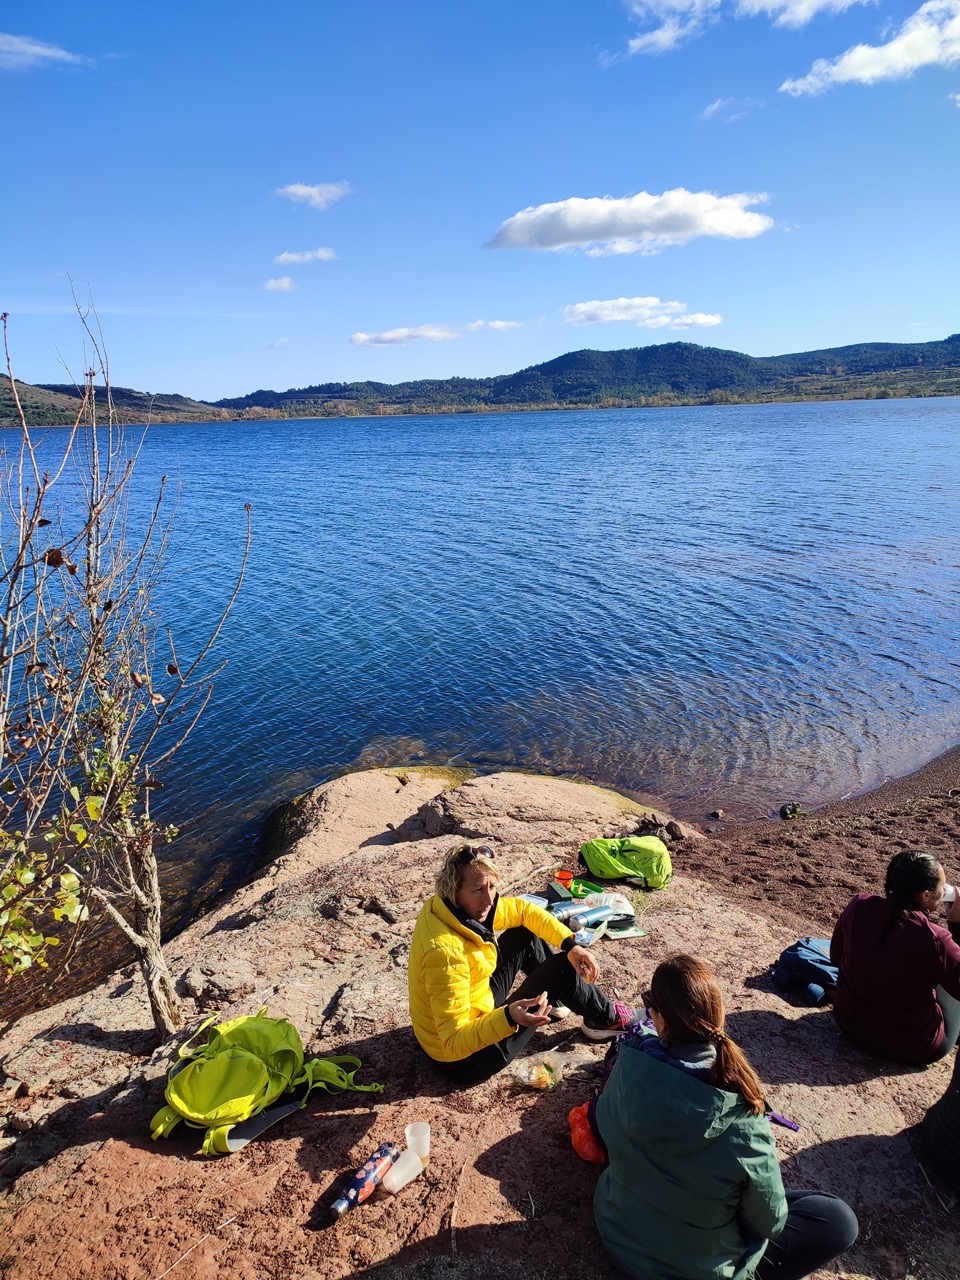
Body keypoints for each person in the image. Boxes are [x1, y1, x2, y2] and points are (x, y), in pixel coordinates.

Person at [590, 954, 858, 1280]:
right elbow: (770, 1222)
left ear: (658, 1020)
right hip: (696, 1269)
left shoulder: (625, 1067)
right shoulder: (745, 1124)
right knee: (837, 1219)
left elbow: (604, 1129)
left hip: (617, 1234)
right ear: (719, 1015)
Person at [407, 842, 640, 1086]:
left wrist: (571, 945)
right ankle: (607, 1018)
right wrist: (508, 1018)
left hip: (473, 1007)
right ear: (455, 890)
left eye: (492, 886)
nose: (489, 899)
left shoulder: (447, 908)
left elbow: (524, 911)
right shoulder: (444, 953)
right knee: (561, 968)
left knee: (524, 933)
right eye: (477, 889)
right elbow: (453, 1041)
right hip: (466, 1059)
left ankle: (557, 1001)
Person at [830, 849, 960, 1065]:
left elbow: (836, 958)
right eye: (941, 887)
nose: (944, 891)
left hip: (849, 1025)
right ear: (925, 896)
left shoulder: (859, 906)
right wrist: (956, 927)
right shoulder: (936, 938)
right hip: (915, 1046)